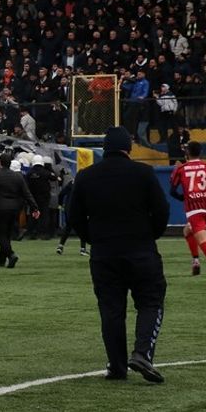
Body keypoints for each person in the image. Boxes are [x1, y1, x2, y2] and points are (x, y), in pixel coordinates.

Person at [67, 127, 171, 384]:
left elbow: (74, 216)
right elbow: (162, 210)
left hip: (104, 252)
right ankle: (142, 352)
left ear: (104, 149)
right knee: (150, 301)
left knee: (111, 310)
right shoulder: (143, 173)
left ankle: (117, 365)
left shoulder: (86, 176)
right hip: (140, 249)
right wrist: (150, 234)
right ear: (129, 148)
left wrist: (93, 238)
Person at [168, 141, 206, 285]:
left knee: (202, 240)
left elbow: (172, 191)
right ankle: (195, 261)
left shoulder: (181, 169)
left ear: (187, 153)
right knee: (187, 231)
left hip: (194, 210)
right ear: (200, 152)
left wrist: (183, 198)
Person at [0, 153, 39, 268]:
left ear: (0, 163)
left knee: (0, 234)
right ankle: (1, 260)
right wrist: (34, 207)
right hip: (15, 209)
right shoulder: (18, 177)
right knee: (7, 234)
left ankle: (11, 254)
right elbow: (27, 193)